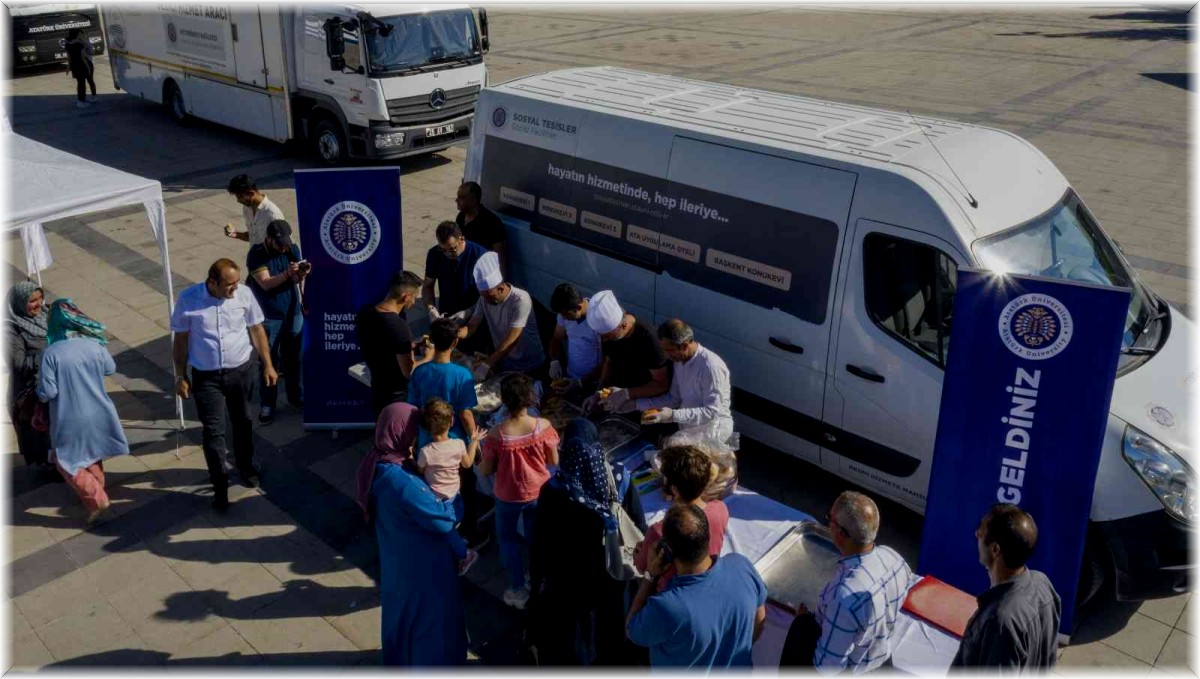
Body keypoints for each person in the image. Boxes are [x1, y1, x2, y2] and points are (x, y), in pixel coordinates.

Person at [355, 402, 468, 666]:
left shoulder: (378, 460)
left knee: (401, 616)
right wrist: (453, 503)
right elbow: (441, 521)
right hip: (422, 564)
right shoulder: (401, 481)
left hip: (397, 556)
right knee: (430, 622)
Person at [526, 418, 644, 666]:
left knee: (577, 640)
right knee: (610, 632)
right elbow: (638, 526)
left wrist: (536, 581)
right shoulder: (619, 478)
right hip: (612, 575)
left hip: (569, 582)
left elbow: (541, 543)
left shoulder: (555, 490)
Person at [172, 258, 278, 511]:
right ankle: (220, 486)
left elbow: (257, 329)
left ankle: (246, 466)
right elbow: (181, 340)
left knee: (242, 421)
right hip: (207, 378)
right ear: (212, 282)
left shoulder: (244, 294)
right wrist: (180, 375)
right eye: (229, 284)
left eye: (237, 282)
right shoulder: (189, 299)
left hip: (241, 372)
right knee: (213, 432)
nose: (235, 288)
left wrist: (269, 364)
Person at [779, 491, 915, 673]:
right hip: (880, 662)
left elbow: (828, 668)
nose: (828, 523)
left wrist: (803, 624)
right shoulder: (896, 561)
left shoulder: (843, 597)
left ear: (841, 534)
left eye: (830, 519)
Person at [626, 504, 767, 669]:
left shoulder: (667, 606)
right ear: (707, 536)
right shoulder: (742, 566)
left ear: (667, 551)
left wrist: (650, 576)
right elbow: (759, 620)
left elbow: (632, 630)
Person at [36, 300, 130, 524]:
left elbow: (48, 391)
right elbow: (110, 369)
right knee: (92, 454)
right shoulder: (94, 344)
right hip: (100, 411)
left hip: (69, 417)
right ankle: (97, 489)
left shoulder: (51, 353)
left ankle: (97, 499)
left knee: (66, 462)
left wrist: (38, 393)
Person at [406, 317, 488, 550]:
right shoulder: (462, 375)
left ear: (431, 340)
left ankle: (434, 527)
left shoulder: (419, 373)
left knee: (430, 489)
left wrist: (412, 440)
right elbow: (465, 414)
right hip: (455, 446)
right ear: (455, 343)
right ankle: (470, 531)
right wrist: (475, 440)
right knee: (467, 486)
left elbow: (414, 410)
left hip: (426, 445)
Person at [480, 374, 560, 609]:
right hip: (538, 492)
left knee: (507, 540)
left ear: (504, 400)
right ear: (529, 398)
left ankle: (517, 587)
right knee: (536, 538)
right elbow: (553, 460)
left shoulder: (496, 434)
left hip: (507, 495)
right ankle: (538, 578)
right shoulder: (543, 427)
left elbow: (486, 469)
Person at [951, 504, 1061, 671]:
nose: (976, 534)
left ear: (995, 549)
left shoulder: (1001, 622)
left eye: (981, 530)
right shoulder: (1042, 584)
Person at [634, 444, 730, 592]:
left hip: (671, 593)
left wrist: (639, 553)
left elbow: (641, 567)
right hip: (708, 582)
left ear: (674, 489)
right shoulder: (720, 509)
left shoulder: (660, 531)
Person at [245, 219, 308, 424]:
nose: (284, 247)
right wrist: (288, 273)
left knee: (293, 358)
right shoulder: (256, 254)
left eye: (286, 243)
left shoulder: (292, 248)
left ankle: (295, 396)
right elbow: (266, 284)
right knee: (268, 361)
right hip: (268, 316)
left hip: (293, 312)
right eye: (279, 244)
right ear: (269, 239)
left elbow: (296, 280)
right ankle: (267, 403)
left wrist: (300, 274)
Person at [631, 319, 734, 443]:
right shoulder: (679, 362)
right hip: (688, 429)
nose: (666, 355)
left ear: (685, 345)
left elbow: (712, 412)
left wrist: (672, 415)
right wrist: (636, 404)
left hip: (712, 433)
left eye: (669, 350)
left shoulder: (711, 367)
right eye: (663, 350)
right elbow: (674, 398)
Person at [457, 252, 545, 379]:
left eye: (489, 296)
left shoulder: (520, 300)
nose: (486, 301)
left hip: (530, 364)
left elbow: (512, 339)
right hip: (506, 362)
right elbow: (473, 325)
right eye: (483, 296)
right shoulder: (484, 299)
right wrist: (456, 333)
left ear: (501, 288)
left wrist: (488, 363)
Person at [356, 270, 431, 417]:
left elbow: (382, 345)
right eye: (414, 297)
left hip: (378, 387)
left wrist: (411, 345)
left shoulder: (366, 314)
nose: (414, 302)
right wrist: (428, 357)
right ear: (406, 296)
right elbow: (408, 372)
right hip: (397, 396)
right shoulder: (399, 327)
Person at [582, 290, 670, 412]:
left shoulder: (650, 339)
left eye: (607, 336)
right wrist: (599, 392)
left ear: (623, 325)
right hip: (616, 401)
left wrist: (627, 394)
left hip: (644, 405)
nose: (604, 340)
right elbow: (609, 362)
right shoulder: (607, 336)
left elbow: (661, 384)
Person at [417, 396, 485, 528]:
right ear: (451, 422)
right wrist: (474, 441)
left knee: (440, 527)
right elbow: (467, 463)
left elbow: (420, 470)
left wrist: (409, 458)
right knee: (454, 525)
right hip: (454, 497)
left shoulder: (425, 452)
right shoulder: (459, 445)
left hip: (434, 501)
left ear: (426, 426)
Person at [5, 281, 52, 470]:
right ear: (19, 303)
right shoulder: (10, 329)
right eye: (32, 301)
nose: (39, 304)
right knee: (40, 432)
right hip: (30, 392)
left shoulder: (46, 314)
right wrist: (50, 355)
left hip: (51, 383)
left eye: (40, 298)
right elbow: (18, 364)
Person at [421, 220, 489, 323]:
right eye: (443, 250)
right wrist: (431, 308)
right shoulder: (434, 254)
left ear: (461, 239)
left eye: (452, 249)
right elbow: (428, 285)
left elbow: (490, 294)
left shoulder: (480, 255)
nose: (448, 254)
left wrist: (468, 312)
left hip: (476, 316)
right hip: (447, 314)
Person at [547, 283, 602, 393]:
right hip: (570, 375)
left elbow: (607, 362)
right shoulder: (564, 315)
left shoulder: (598, 321)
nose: (564, 318)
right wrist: (554, 361)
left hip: (592, 382)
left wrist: (581, 383)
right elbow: (556, 339)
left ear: (578, 307)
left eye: (566, 315)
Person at [224, 174, 289, 248]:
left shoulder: (272, 214)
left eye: (240, 197)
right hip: (254, 258)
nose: (238, 200)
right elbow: (252, 236)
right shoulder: (246, 209)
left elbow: (283, 245)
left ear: (251, 193)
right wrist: (236, 234)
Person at [455, 181, 507, 271]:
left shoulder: (492, 223)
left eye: (461, 197)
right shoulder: (460, 217)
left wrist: (499, 283)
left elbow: (500, 259)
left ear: (473, 200)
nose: (456, 200)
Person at [65, 29, 96, 108]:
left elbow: (69, 57)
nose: (80, 35)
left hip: (75, 66)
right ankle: (82, 101)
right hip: (82, 65)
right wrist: (88, 67)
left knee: (80, 83)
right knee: (83, 84)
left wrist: (69, 67)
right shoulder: (79, 44)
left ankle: (81, 100)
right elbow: (83, 57)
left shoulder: (67, 44)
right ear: (76, 35)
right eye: (79, 34)